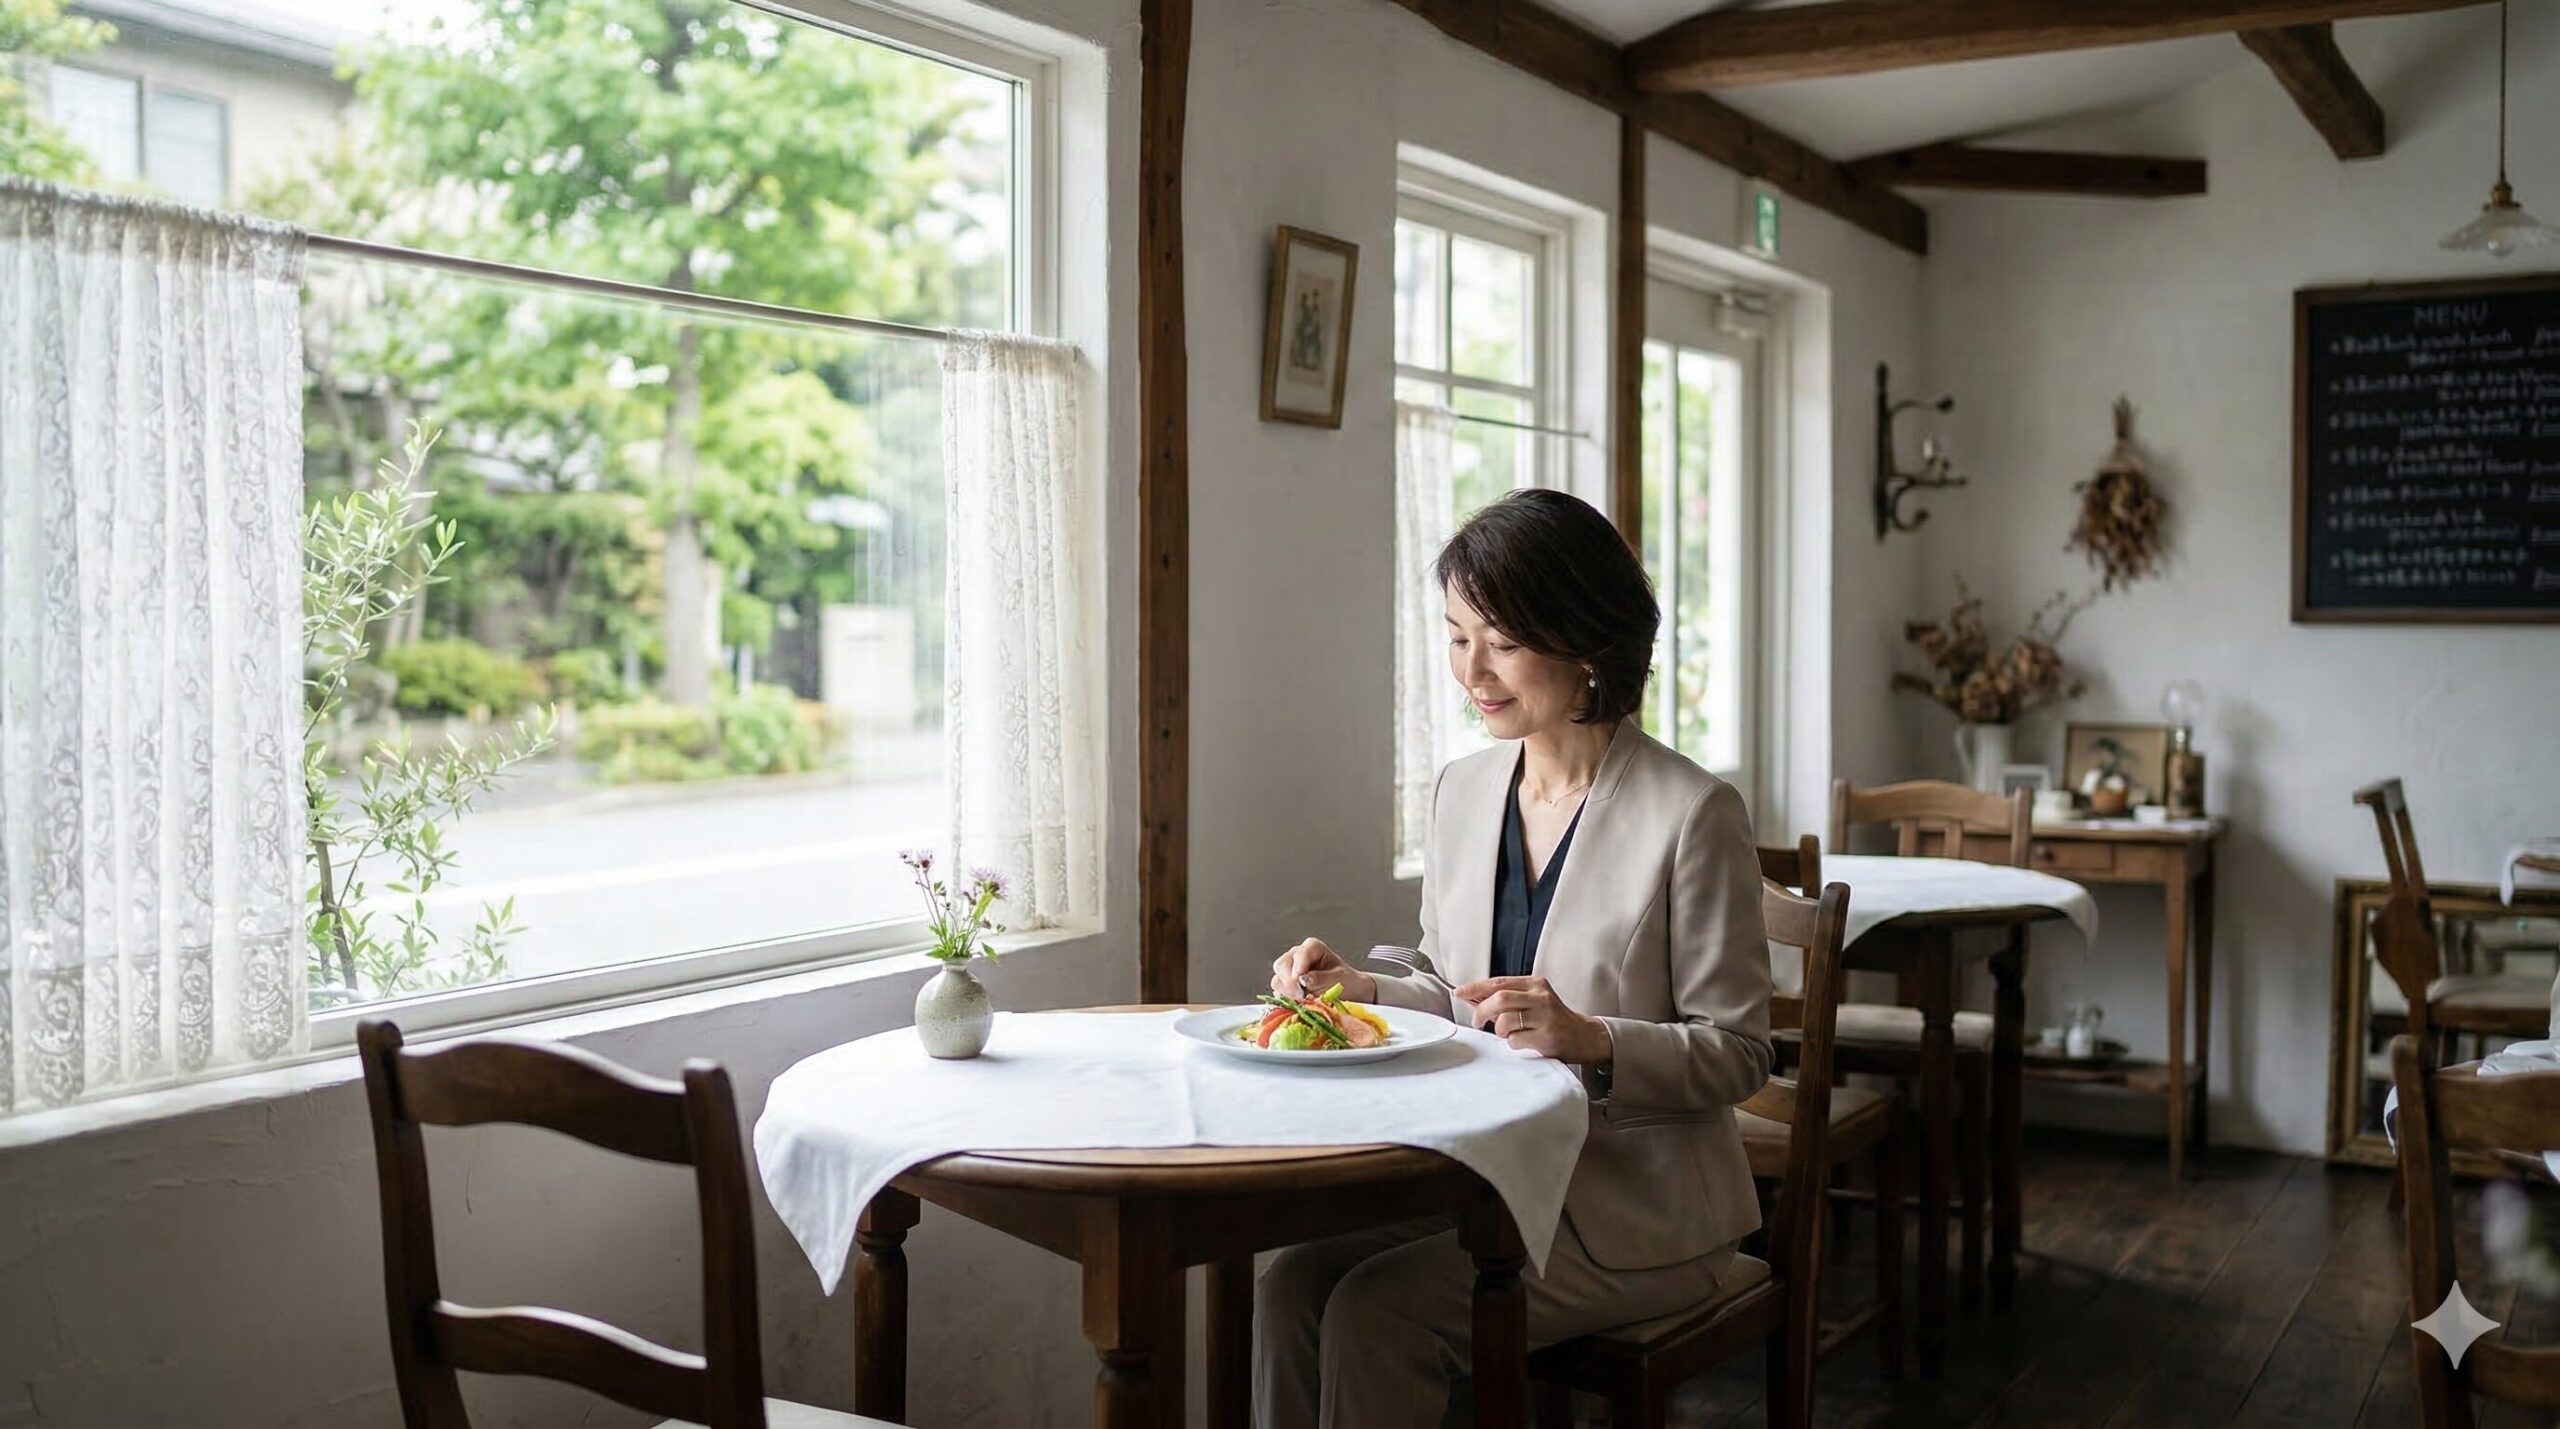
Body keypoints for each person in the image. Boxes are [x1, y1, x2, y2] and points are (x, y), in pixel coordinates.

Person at [1256, 487, 1773, 1428]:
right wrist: (1363, 988)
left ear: (1583, 641)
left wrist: (1593, 1038)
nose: (1472, 671)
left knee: (1377, 1313)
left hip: (1639, 1211)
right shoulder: (1462, 789)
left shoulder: (1694, 812)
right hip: (1490, 1172)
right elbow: (1451, 987)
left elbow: (1739, 1052)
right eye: (1457, 638)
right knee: (1291, 1283)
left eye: (1499, 641)